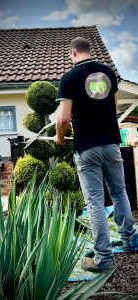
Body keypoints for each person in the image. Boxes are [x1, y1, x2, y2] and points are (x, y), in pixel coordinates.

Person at [54, 37, 137, 272]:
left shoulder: (69, 78)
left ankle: (103, 259)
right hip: (111, 143)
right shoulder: (107, 72)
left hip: (87, 147)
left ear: (73, 53)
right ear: (89, 51)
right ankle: (131, 241)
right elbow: (113, 105)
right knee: (120, 192)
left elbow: (63, 118)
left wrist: (60, 137)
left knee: (95, 203)